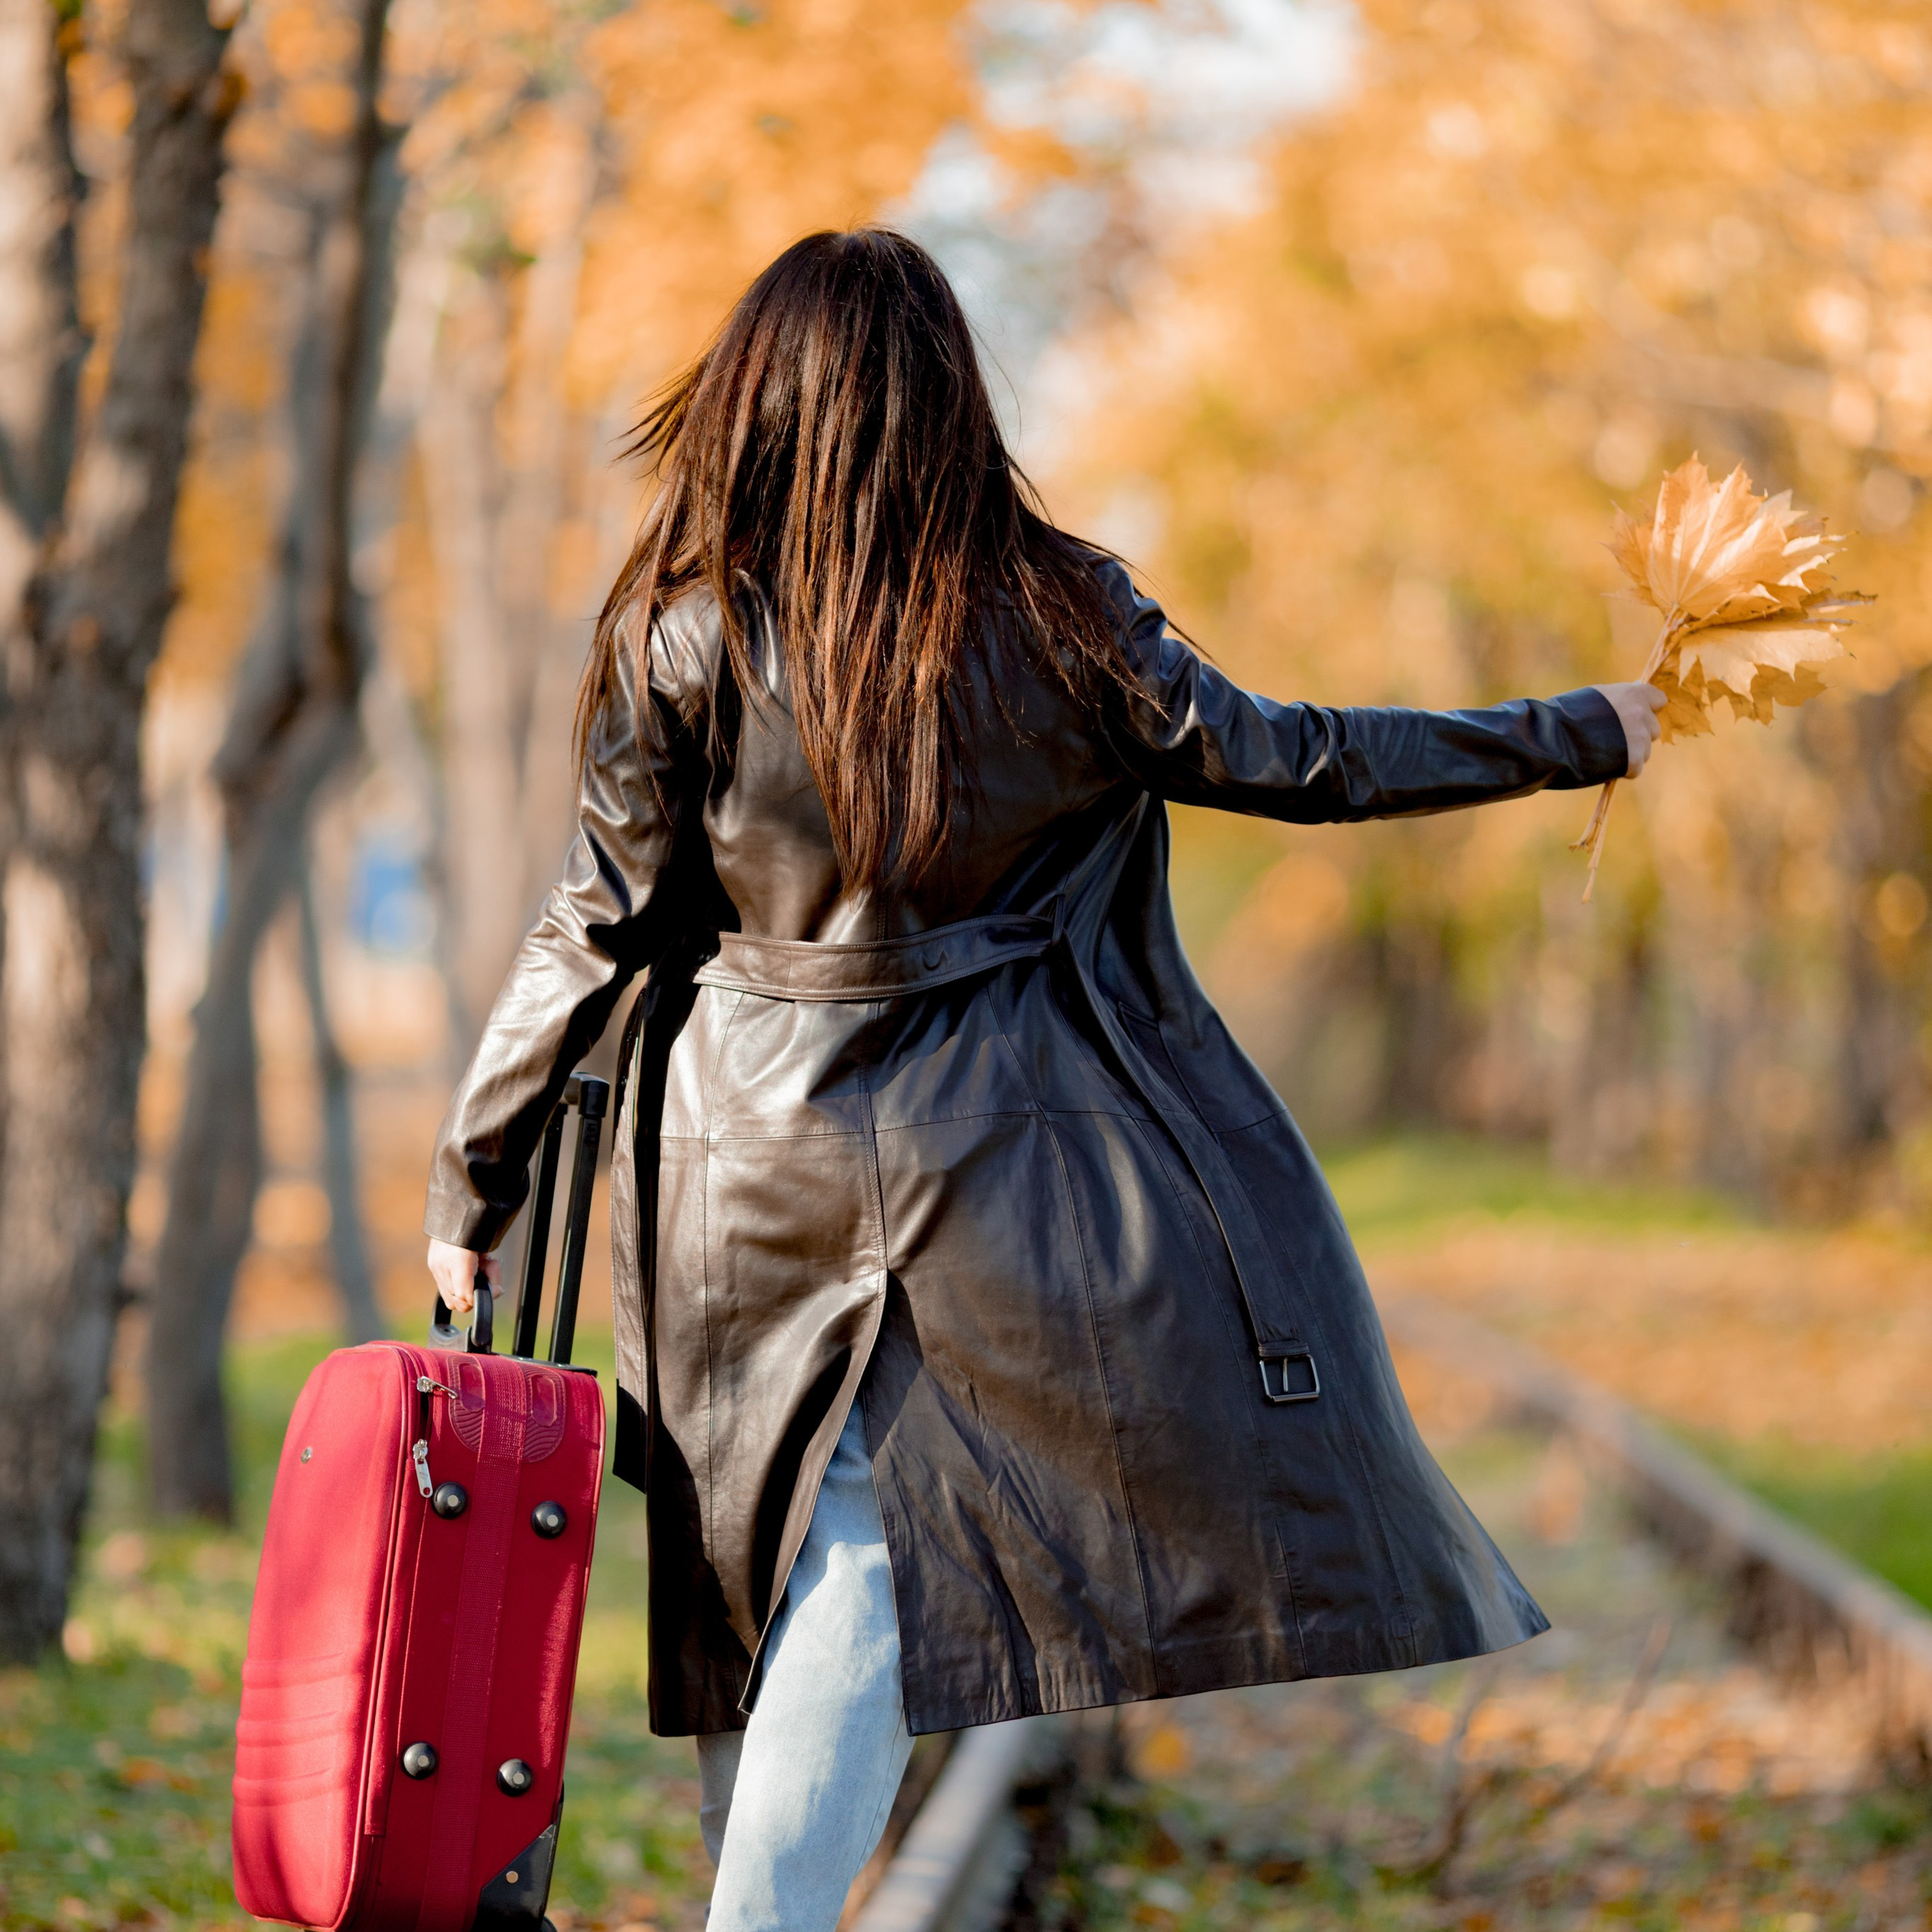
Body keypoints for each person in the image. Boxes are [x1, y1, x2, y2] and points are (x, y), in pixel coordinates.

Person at [423, 227, 1665, 1932]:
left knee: (760, 1576)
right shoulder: (1058, 611)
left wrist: (467, 1180)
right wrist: (1575, 726)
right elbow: (1299, 757)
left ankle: (757, 1910)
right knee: (838, 1563)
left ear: (755, 400)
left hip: (727, 1170)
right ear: (949, 402)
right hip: (974, 1162)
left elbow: (600, 919)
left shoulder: (677, 632)